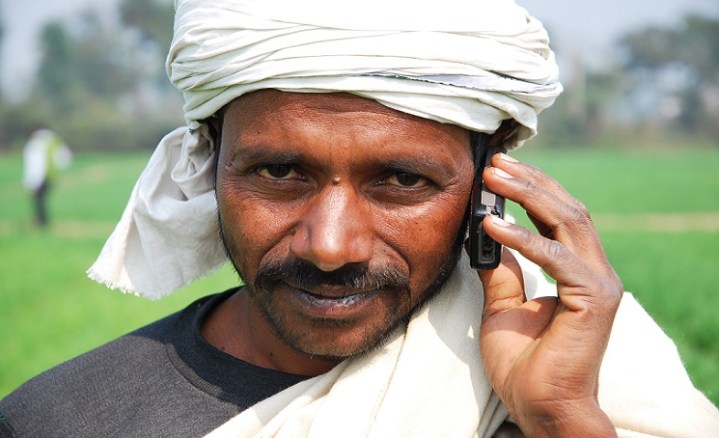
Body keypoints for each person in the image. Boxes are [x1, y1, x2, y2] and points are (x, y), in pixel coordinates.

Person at [2, 0, 719, 436]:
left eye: (402, 180)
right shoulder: (60, 420)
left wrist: (560, 418)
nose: (330, 246)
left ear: (488, 179)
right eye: (278, 173)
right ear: (206, 160)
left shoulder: (587, 385)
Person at [21, 128, 72, 227]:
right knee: (43, 200)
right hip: (51, 177)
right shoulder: (54, 143)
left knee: (39, 201)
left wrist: (32, 181)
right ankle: (44, 221)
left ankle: (41, 222)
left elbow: (36, 165)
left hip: (40, 178)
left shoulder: (35, 145)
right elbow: (65, 159)